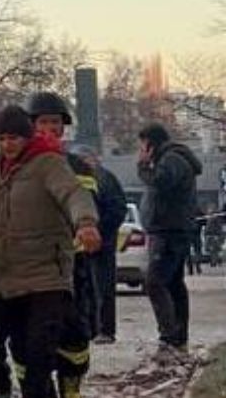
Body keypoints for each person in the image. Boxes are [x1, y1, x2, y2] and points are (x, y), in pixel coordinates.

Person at [0, 106, 101, 398]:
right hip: (1, 275)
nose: (7, 145)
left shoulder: (49, 163)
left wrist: (86, 224)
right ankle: (0, 387)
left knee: (38, 348)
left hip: (45, 274)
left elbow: (73, 194)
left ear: (26, 137)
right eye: (1, 138)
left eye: (14, 138)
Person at [24, 92, 95, 398]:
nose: (50, 129)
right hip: (31, 265)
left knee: (75, 334)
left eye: (55, 123)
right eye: (43, 123)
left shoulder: (79, 167)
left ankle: (71, 388)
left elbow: (92, 206)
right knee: (30, 337)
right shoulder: (16, 163)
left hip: (71, 264)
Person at [137, 123, 201, 357]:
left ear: (151, 144)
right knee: (173, 283)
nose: (141, 150)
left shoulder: (171, 159)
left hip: (168, 232)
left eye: (143, 145)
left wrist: (143, 165)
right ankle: (178, 337)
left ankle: (169, 337)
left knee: (155, 282)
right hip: (174, 230)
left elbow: (159, 182)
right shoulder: (175, 158)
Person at [70, 143, 129, 344]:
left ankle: (106, 329)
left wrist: (100, 231)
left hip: (101, 242)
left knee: (103, 286)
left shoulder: (104, 179)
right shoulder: (80, 180)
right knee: (87, 287)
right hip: (81, 243)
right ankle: (92, 328)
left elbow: (117, 208)